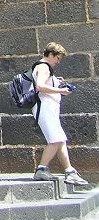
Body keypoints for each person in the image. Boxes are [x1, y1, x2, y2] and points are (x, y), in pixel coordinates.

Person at [32, 42, 87, 185]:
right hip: (45, 108)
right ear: (51, 54)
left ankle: (69, 171)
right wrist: (61, 90)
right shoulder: (44, 67)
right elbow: (40, 86)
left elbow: (44, 84)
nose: (58, 62)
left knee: (60, 139)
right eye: (58, 58)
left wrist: (56, 81)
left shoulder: (43, 67)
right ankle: (41, 169)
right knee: (56, 140)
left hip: (47, 108)